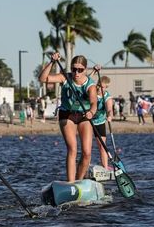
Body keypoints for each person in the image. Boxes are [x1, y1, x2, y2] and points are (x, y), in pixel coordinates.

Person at [39, 52, 97, 182]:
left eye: (80, 70)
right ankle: (70, 183)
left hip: (84, 115)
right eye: (74, 69)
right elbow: (42, 79)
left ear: (85, 70)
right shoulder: (64, 78)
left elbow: (94, 103)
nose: (76, 73)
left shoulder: (90, 85)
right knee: (72, 149)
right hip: (67, 114)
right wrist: (52, 62)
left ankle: (79, 181)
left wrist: (91, 113)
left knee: (87, 153)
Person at [92, 76, 113, 170]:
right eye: (98, 85)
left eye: (102, 87)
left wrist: (110, 116)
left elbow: (109, 109)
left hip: (99, 122)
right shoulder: (92, 93)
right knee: (87, 146)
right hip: (88, 121)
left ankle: (105, 167)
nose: (99, 88)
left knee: (102, 146)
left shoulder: (107, 97)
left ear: (106, 87)